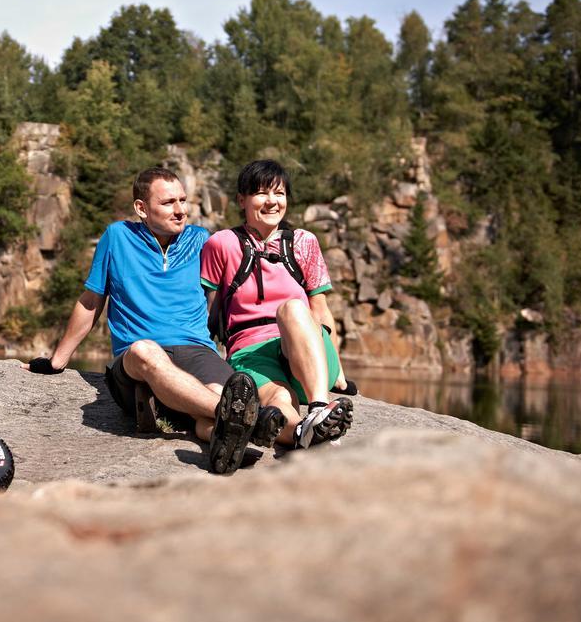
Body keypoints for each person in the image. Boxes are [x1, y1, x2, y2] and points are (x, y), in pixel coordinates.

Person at [26, 166, 285, 474]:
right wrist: (57, 361)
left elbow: (229, 301)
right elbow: (91, 301)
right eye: (168, 203)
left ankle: (224, 435)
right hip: (138, 359)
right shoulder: (117, 237)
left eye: (183, 200)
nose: (180, 211)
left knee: (219, 396)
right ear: (141, 208)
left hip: (197, 350)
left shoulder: (202, 240)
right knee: (145, 352)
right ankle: (246, 420)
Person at [200, 159, 353, 449]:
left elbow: (319, 308)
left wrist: (340, 374)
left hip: (306, 347)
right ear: (241, 200)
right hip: (249, 351)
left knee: (293, 308)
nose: (272, 202)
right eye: (261, 193)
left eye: (279, 193)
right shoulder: (221, 244)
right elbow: (208, 311)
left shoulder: (304, 242)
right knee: (279, 400)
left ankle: (319, 408)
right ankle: (305, 433)